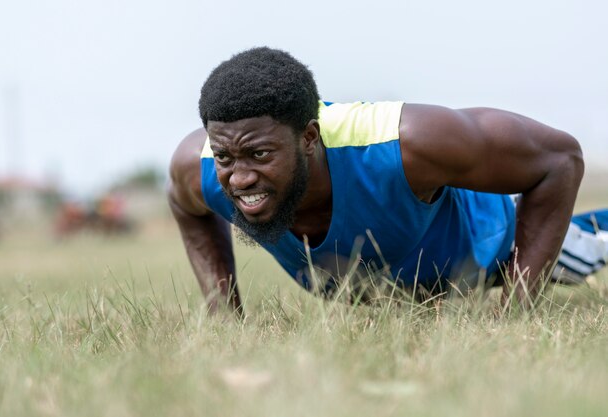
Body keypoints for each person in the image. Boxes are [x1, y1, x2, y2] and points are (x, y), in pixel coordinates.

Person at [168, 47, 607, 315]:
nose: (240, 177)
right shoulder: (203, 169)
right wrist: (225, 315)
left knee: (593, 242)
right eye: (226, 156)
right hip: (395, 286)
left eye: (260, 155)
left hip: (493, 244)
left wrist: (516, 309)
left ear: (308, 137)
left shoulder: (409, 142)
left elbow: (561, 160)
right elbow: (185, 209)